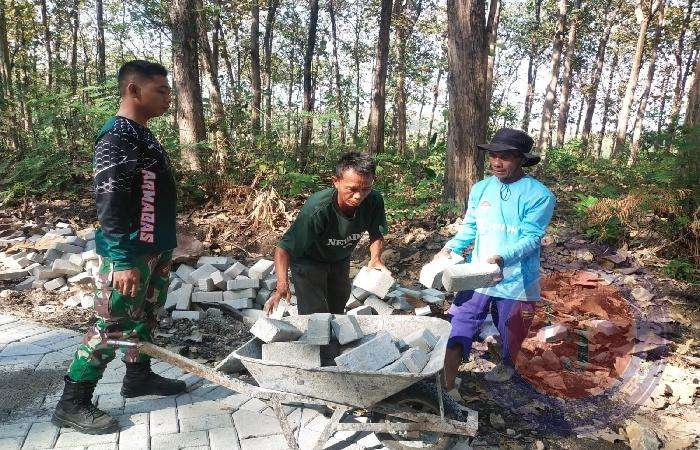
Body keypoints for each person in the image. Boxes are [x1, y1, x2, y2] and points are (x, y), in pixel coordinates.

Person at [52, 60, 185, 434]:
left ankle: (138, 376)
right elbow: (109, 202)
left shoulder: (140, 133)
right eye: (161, 90)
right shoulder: (116, 136)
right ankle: (72, 401)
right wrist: (123, 259)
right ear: (133, 90)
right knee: (112, 324)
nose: (168, 98)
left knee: (145, 317)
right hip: (129, 251)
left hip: (153, 247)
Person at [435, 128, 556, 400]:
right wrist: (451, 247)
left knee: (511, 329)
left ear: (521, 159)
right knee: (459, 322)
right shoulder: (481, 189)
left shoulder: (540, 195)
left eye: (506, 157)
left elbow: (532, 237)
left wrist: (503, 257)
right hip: (477, 274)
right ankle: (446, 384)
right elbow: (470, 227)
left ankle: (508, 364)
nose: (497, 163)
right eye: (493, 156)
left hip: (516, 279)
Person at [264, 152, 389, 316]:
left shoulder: (373, 201)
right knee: (315, 315)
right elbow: (283, 249)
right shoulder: (318, 209)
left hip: (339, 259)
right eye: (352, 189)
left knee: (338, 306)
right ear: (336, 181)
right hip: (308, 261)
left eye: (366, 189)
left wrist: (375, 259)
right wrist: (282, 284)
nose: (359, 196)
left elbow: (376, 233)